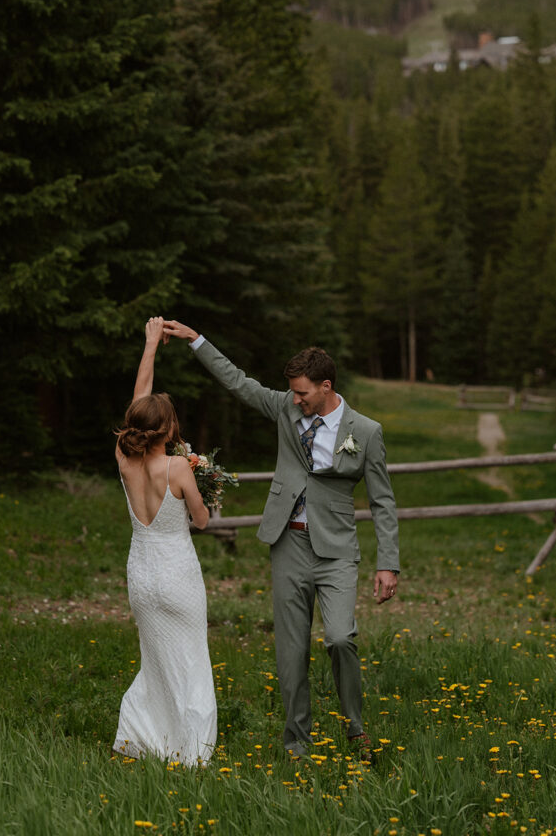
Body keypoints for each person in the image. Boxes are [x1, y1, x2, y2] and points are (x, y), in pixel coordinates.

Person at [164, 321, 400, 761]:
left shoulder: (366, 432)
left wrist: (388, 563)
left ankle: (355, 727)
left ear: (326, 386)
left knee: (340, 638)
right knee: (291, 653)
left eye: (303, 392)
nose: (295, 399)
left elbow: (383, 502)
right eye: (292, 392)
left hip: (336, 551)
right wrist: (196, 340)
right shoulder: (285, 410)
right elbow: (238, 382)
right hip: (288, 545)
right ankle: (297, 743)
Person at [112, 317, 217, 766]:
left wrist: (150, 345)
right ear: (169, 429)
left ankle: (143, 737)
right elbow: (202, 521)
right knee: (191, 661)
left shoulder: (123, 459)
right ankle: (192, 752)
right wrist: (205, 490)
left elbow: (139, 401)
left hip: (141, 575)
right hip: (177, 576)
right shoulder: (178, 469)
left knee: (155, 661)